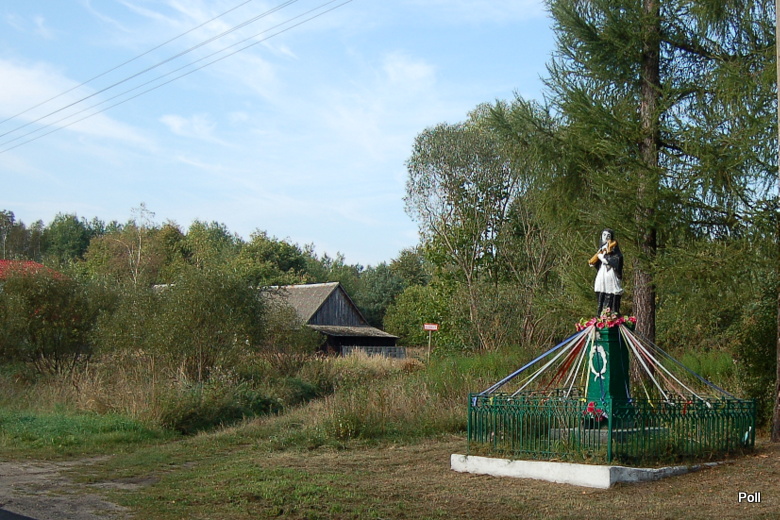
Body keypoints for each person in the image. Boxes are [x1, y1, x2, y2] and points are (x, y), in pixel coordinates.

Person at [588, 228, 623, 315]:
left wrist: (603, 259)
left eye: (608, 235)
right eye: (604, 235)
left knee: (611, 290)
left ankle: (612, 312)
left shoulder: (613, 248)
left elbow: (617, 259)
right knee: (600, 288)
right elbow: (597, 261)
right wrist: (595, 262)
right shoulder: (601, 249)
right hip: (602, 273)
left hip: (611, 274)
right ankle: (601, 312)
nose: (606, 237)